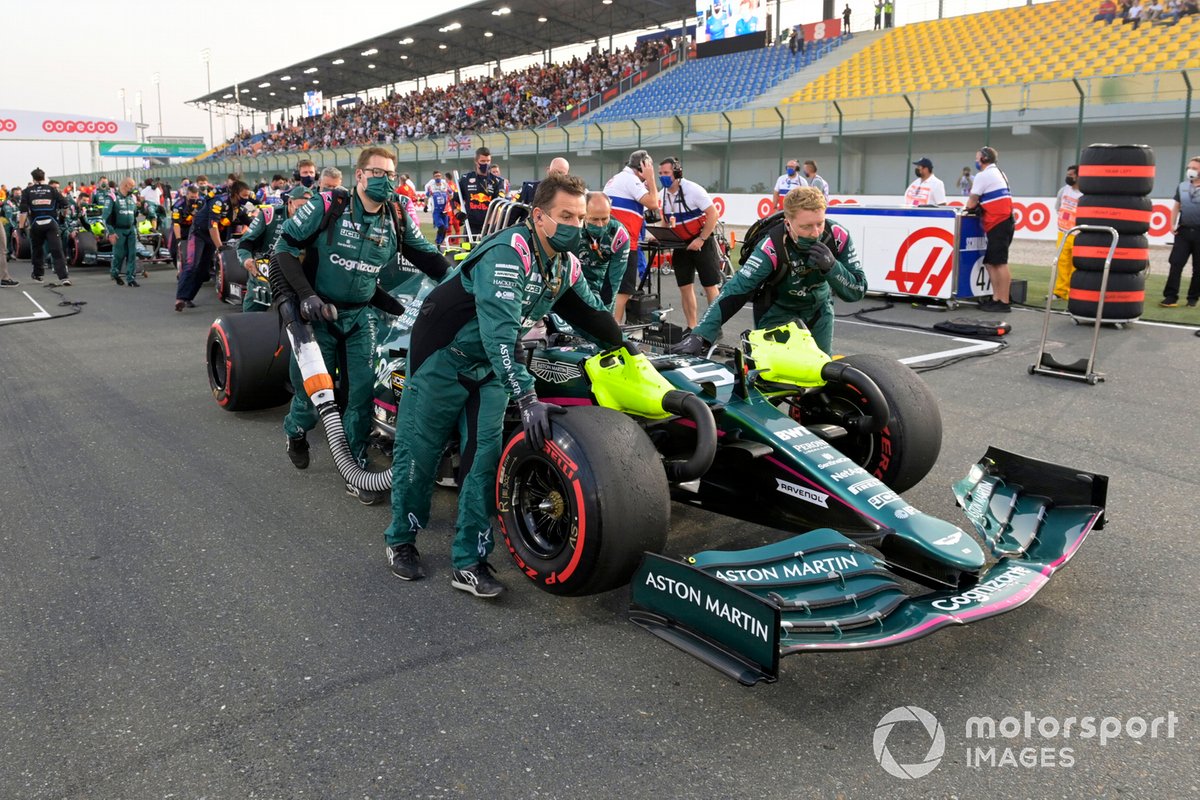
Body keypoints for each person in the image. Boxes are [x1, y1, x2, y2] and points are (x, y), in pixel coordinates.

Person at [382, 172, 627, 597]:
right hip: (443, 362)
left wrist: (629, 350)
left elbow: (594, 315)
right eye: (565, 215)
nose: (576, 224)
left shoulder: (564, 264)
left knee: (482, 467)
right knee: (418, 457)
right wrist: (528, 397)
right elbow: (499, 333)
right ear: (538, 216)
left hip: (492, 370)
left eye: (581, 216)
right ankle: (401, 540)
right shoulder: (508, 252)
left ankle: (469, 562)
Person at [275, 146, 450, 493]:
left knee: (360, 396)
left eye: (390, 174)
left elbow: (430, 259)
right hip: (315, 317)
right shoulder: (329, 205)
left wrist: (464, 282)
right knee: (311, 401)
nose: (384, 180)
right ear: (359, 175)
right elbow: (284, 248)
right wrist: (306, 295)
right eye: (377, 173)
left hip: (360, 316)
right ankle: (295, 430)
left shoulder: (396, 216)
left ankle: (355, 466)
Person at [672, 186, 866, 357]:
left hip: (818, 309)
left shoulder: (838, 236)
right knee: (771, 376)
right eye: (806, 226)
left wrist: (832, 267)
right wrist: (701, 334)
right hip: (777, 310)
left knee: (821, 375)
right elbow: (736, 289)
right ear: (788, 223)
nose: (815, 232)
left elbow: (857, 289)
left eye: (819, 223)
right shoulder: (771, 246)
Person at [658, 157, 721, 329]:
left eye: (666, 173)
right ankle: (691, 328)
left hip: (703, 242)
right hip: (681, 246)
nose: (662, 176)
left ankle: (713, 327)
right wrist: (660, 236)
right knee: (685, 287)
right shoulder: (662, 194)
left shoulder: (693, 190)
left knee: (710, 286)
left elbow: (713, 214)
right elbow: (665, 220)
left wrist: (701, 239)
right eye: (660, 173)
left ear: (677, 173)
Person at [175, 180, 254, 311]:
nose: (246, 199)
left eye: (247, 196)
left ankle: (187, 298)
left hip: (211, 238)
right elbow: (213, 226)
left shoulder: (238, 207)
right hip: (198, 233)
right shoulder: (218, 202)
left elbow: (250, 222)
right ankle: (180, 298)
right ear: (235, 194)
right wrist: (219, 246)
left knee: (203, 269)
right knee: (192, 264)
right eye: (244, 196)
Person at [235, 185, 312, 311]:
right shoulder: (269, 214)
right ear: (290, 202)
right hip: (262, 274)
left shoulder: (314, 219)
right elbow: (245, 242)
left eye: (307, 210)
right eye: (299, 208)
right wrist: (246, 260)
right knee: (251, 319)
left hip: (295, 276)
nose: (302, 213)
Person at [605, 149, 660, 322]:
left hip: (611, 240)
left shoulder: (618, 178)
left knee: (612, 289)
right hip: (625, 243)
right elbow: (653, 203)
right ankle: (614, 332)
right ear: (643, 167)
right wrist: (650, 178)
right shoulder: (631, 179)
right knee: (623, 291)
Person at [965, 146, 1015, 313]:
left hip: (999, 222)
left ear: (984, 159)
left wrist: (972, 207)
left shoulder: (983, 175)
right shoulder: (1000, 172)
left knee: (999, 263)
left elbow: (971, 202)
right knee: (991, 262)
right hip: (1002, 221)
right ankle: (996, 298)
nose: (976, 160)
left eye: (977, 157)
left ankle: (1003, 301)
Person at [575, 192, 631, 311]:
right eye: (594, 219)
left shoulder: (619, 235)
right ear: (584, 214)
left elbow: (614, 279)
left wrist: (605, 313)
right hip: (574, 279)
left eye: (604, 219)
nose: (600, 225)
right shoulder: (573, 229)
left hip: (601, 281)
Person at [18, 168, 71, 285]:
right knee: (57, 250)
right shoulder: (52, 190)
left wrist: (21, 227)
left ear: (33, 178)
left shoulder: (27, 191)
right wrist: (62, 218)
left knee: (37, 250)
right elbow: (65, 206)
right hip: (51, 223)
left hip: (36, 224)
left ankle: (38, 275)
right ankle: (64, 277)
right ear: (44, 177)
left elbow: (23, 212)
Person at [1160, 156, 1200, 308]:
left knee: (1198, 267)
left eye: (1195, 168)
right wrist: (1172, 224)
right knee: (1175, 263)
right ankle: (1170, 296)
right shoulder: (1182, 186)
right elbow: (1176, 205)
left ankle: (1193, 298)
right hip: (1183, 230)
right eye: (1190, 167)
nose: (1191, 170)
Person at [458, 146, 504, 236]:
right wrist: (457, 214)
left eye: (488, 161)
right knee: (469, 249)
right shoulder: (465, 179)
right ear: (476, 161)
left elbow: (499, 205)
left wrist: (490, 226)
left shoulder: (498, 181)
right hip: (470, 226)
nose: (486, 164)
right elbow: (455, 199)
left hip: (489, 227)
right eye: (483, 161)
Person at [1053, 165, 1082, 300]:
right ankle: (1060, 291)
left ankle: (1073, 292)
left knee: (1075, 265)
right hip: (1063, 232)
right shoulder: (1063, 190)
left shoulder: (1085, 194)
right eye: (1068, 174)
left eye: (1071, 175)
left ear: (1079, 176)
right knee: (1062, 262)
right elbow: (1058, 207)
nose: (1068, 177)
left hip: (1078, 234)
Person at [105, 177, 142, 287]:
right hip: (118, 230)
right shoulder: (112, 197)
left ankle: (130, 278)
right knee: (119, 255)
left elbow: (134, 215)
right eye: (132, 186)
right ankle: (115, 274)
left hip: (131, 230)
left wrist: (136, 230)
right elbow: (105, 217)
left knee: (132, 254)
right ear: (125, 185)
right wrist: (111, 232)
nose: (133, 188)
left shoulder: (133, 198)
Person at [424, 170, 454, 248]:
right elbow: (426, 197)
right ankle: (437, 243)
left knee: (445, 229)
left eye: (439, 176)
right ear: (433, 177)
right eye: (436, 176)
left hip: (445, 210)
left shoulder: (445, 185)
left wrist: (449, 203)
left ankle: (439, 243)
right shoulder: (431, 187)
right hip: (436, 211)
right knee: (441, 227)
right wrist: (425, 206)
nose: (438, 177)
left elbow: (451, 194)